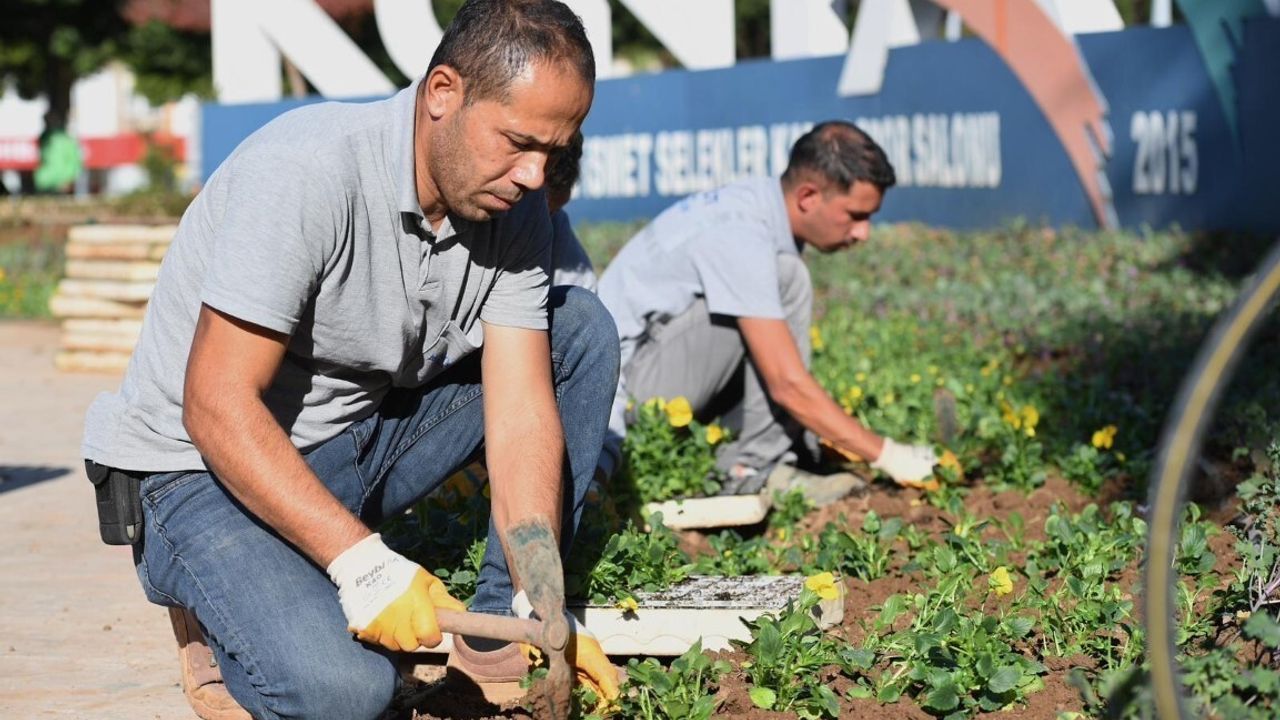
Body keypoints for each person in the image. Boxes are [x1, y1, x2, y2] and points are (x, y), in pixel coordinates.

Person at [80, 2, 620, 719]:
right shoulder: (307, 172)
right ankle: (211, 605)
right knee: (345, 693)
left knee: (576, 329)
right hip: (196, 471)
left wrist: (538, 598)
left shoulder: (514, 209)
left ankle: (494, 642)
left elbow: (521, 408)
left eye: (553, 152)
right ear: (442, 94)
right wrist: (362, 564)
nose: (532, 175)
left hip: (347, 441)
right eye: (519, 141)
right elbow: (214, 403)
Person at [597, 121, 943, 505]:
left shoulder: (757, 207)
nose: (863, 233)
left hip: (655, 376)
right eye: (855, 215)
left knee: (774, 299)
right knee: (787, 278)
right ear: (808, 196)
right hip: (623, 398)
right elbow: (785, 383)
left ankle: (770, 449)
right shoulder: (743, 233)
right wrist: (889, 455)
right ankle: (751, 469)